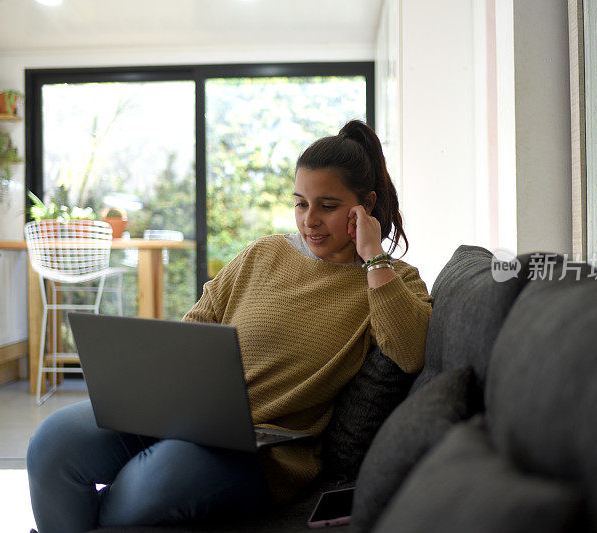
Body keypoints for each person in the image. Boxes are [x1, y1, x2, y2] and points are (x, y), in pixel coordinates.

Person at [26, 120, 432, 532]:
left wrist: (374, 258)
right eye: (300, 203)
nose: (309, 220)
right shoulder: (263, 253)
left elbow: (411, 349)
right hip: (186, 415)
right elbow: (195, 328)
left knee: (147, 489)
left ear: (364, 207)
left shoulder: (391, 280)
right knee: (53, 442)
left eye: (327, 206)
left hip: (263, 453)